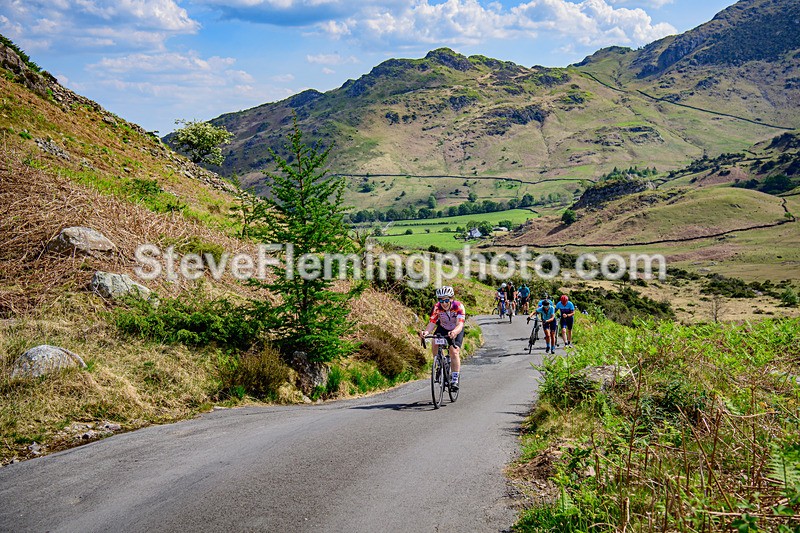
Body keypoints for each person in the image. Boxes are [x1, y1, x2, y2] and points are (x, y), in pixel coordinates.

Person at [420, 286, 466, 390]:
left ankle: (455, 379)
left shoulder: (458, 306)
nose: (444, 303)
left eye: (446, 300)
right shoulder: (437, 307)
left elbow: (460, 324)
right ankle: (438, 362)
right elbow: (432, 323)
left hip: (456, 329)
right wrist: (426, 332)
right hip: (443, 327)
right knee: (435, 341)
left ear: (451, 299)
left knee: (454, 351)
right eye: (441, 300)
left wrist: (454, 332)